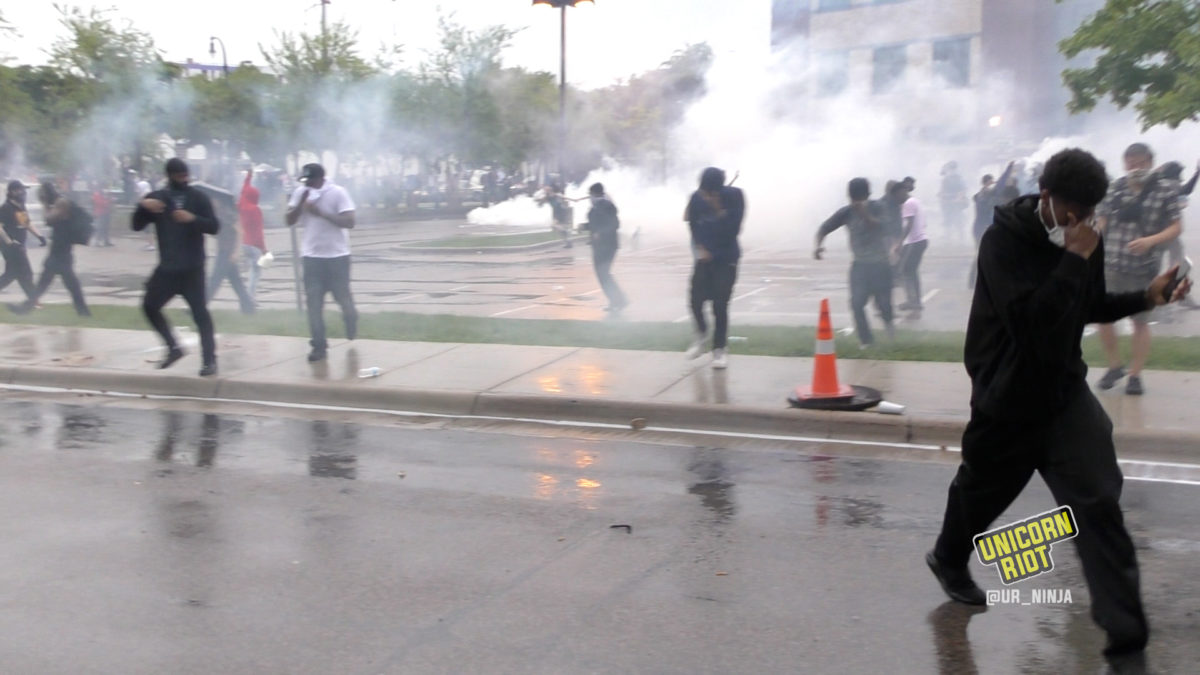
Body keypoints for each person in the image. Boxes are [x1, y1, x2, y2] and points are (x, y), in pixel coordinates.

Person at [927, 148, 1191, 662]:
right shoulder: (1002, 241)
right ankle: (948, 557)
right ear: (1046, 197)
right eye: (1075, 211)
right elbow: (1032, 324)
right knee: (980, 493)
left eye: (1091, 212)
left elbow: (1086, 305)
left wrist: (1148, 296)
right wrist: (1073, 258)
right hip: (1007, 396)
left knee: (1099, 504)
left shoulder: (1086, 234)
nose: (1083, 221)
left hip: (1064, 394)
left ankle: (1127, 645)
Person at [1094, 143, 1183, 396]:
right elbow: (1102, 222)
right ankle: (1115, 366)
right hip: (1112, 264)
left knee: (1140, 322)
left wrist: (1151, 241)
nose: (1136, 167)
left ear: (1150, 162)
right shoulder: (1115, 188)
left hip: (1144, 268)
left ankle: (1135, 375)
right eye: (1131, 163)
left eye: (1141, 162)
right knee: (1103, 317)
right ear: (1125, 164)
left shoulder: (1165, 190)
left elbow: (1176, 227)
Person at [131, 158, 220, 377]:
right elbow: (136, 225)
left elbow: (214, 226)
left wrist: (192, 218)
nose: (184, 179)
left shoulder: (198, 197)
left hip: (192, 268)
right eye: (180, 176)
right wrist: (143, 205)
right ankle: (173, 347)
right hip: (168, 269)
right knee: (149, 306)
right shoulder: (158, 198)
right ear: (170, 176)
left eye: (186, 175)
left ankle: (209, 361)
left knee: (200, 314)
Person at [286, 163, 358, 363]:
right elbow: (289, 221)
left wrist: (321, 213)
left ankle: (351, 319)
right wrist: (300, 205)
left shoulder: (338, 192)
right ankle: (319, 345)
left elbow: (350, 221)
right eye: (304, 180)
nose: (307, 184)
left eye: (310, 180)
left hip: (337, 257)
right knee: (314, 303)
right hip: (312, 258)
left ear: (320, 178)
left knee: (343, 298)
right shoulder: (301, 193)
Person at [814, 177, 894, 346]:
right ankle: (866, 341)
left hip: (880, 264)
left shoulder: (878, 207)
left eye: (860, 198)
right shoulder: (847, 212)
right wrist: (818, 246)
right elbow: (824, 228)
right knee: (856, 303)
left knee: (883, 303)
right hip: (860, 265)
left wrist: (865, 214)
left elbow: (883, 228)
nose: (856, 202)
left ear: (868, 194)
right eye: (854, 198)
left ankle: (889, 329)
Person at [683, 167, 746, 369]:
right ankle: (701, 335)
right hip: (704, 259)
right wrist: (699, 247)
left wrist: (719, 210)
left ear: (717, 191)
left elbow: (734, 230)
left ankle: (719, 349)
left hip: (726, 259)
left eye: (708, 193)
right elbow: (693, 224)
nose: (704, 196)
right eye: (702, 192)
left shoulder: (735, 196)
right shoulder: (696, 197)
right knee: (695, 300)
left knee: (720, 305)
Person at [8, 181, 91, 317]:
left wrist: (45, 204)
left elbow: (48, 219)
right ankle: (83, 312)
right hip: (59, 251)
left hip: (61, 253)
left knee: (63, 285)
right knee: (61, 285)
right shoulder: (59, 203)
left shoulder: (61, 203)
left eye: (42, 194)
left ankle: (24, 309)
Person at [205, 184, 255, 314]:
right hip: (223, 251)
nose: (210, 202)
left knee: (214, 281)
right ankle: (249, 308)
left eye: (212, 199)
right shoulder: (216, 214)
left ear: (217, 200)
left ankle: (199, 306)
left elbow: (240, 231)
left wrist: (236, 252)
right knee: (236, 282)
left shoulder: (226, 213)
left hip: (227, 253)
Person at [579, 182, 627, 314]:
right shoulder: (597, 207)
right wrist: (584, 226)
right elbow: (596, 224)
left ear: (594, 194)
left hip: (606, 246)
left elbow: (614, 224)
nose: (589, 197)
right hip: (600, 246)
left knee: (603, 273)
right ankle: (616, 300)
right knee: (603, 274)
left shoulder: (605, 206)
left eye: (590, 194)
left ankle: (619, 300)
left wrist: (600, 233)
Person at [0, 180, 45, 303]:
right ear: (12, 192)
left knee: (11, 274)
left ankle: (33, 300)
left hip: (19, 246)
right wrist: (9, 242)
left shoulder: (20, 207)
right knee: (26, 272)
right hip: (10, 247)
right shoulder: (6, 207)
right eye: (20, 190)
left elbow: (26, 224)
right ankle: (33, 301)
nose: (23, 192)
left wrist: (39, 236)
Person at [894, 177, 929, 314]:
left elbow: (909, 224)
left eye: (896, 195)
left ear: (901, 192)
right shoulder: (915, 201)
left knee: (905, 270)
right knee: (911, 271)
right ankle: (916, 301)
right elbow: (923, 222)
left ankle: (912, 301)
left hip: (915, 242)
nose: (896, 199)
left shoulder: (908, 203)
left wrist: (900, 242)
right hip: (920, 240)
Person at [238, 169, 269, 300]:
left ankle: (248, 295)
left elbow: (245, 188)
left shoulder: (242, 204)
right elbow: (258, 232)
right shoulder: (255, 210)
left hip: (244, 243)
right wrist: (263, 249)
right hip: (254, 245)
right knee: (255, 272)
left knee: (250, 268)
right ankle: (250, 297)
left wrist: (249, 176)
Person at [938, 161, 968, 244]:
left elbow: (963, 190)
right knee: (947, 221)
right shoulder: (945, 179)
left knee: (959, 221)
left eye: (952, 168)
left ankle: (961, 239)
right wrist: (942, 196)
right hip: (947, 204)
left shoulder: (959, 178)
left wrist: (958, 199)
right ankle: (948, 239)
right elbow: (942, 191)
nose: (951, 170)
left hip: (957, 204)